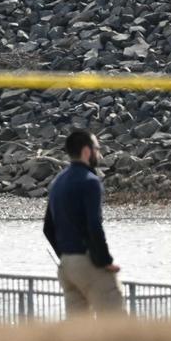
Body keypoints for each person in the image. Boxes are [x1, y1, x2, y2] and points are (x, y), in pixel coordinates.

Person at [43, 129, 125, 317]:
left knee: (79, 332)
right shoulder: (90, 181)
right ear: (87, 151)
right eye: (97, 148)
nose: (99, 153)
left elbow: (48, 228)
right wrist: (105, 261)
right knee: (116, 322)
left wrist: (65, 255)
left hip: (66, 267)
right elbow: (94, 225)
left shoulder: (57, 182)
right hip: (86, 262)